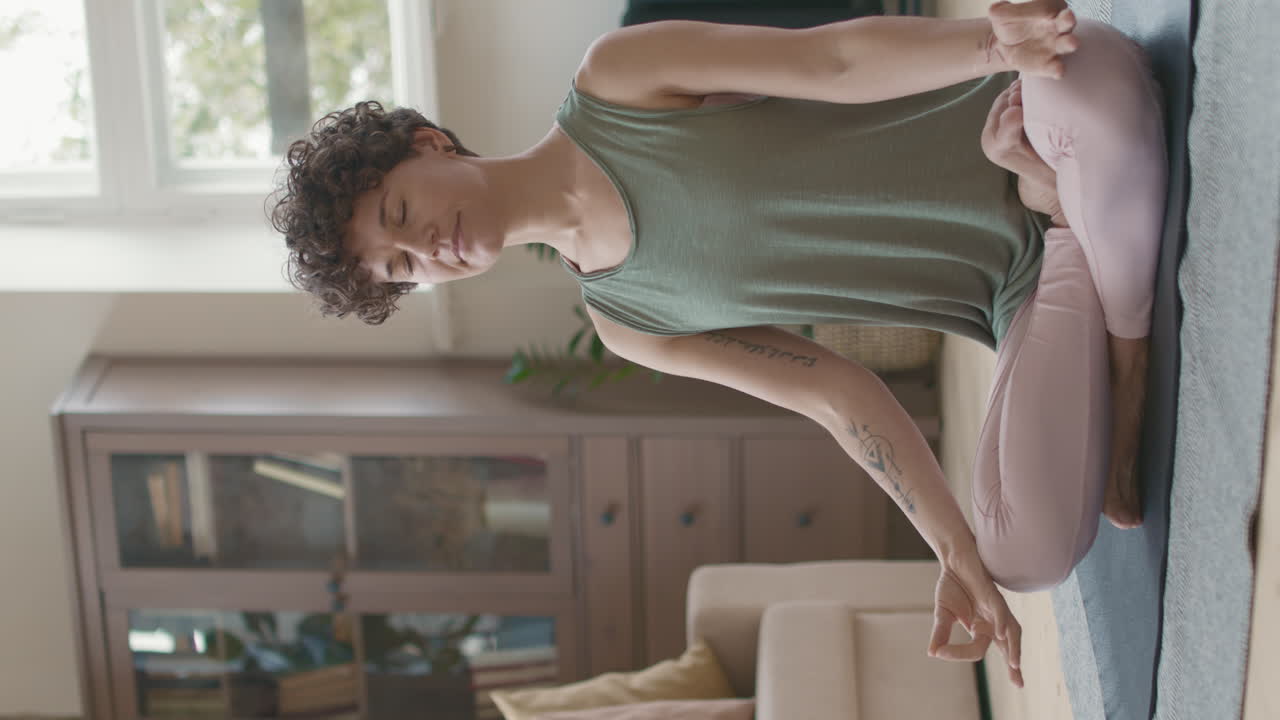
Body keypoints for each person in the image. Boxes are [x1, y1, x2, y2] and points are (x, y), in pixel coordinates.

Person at [268, 0, 1167, 690]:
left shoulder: (618, 78)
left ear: (430, 145)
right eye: (399, 269)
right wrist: (952, 552)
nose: (424, 250)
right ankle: (1066, 224)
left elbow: (831, 57)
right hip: (1018, 285)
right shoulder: (626, 320)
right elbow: (832, 393)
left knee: (1101, 92)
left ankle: (1112, 338)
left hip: (1027, 113)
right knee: (1020, 551)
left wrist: (991, 46)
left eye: (400, 214)